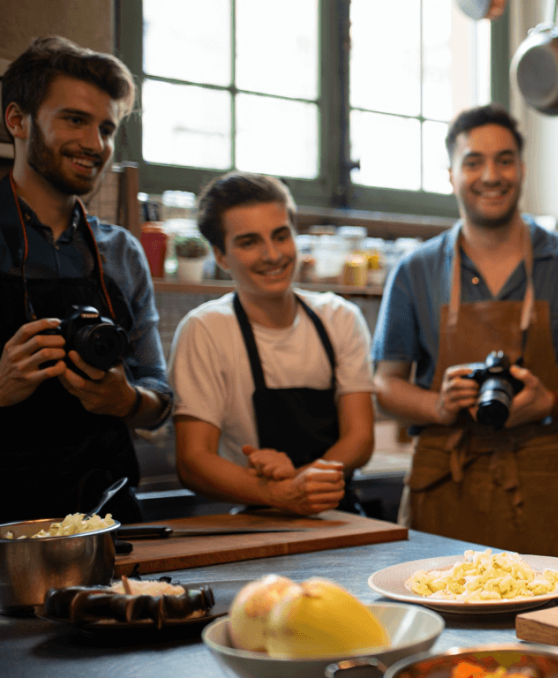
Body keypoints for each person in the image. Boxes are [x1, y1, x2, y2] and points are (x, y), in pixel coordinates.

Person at [373, 105, 558, 561]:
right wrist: (436, 405)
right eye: (473, 162)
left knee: (549, 622)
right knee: (441, 609)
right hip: (444, 477)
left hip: (543, 477)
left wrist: (551, 402)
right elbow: (384, 383)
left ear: (522, 169)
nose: (491, 175)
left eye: (504, 160)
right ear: (451, 174)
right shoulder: (415, 271)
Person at [0, 36, 172, 524]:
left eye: (106, 128)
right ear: (17, 120)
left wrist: (126, 399)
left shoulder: (121, 252)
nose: (96, 145)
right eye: (75, 120)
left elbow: (159, 396)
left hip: (107, 521)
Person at [169, 172, 375, 515]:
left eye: (281, 236)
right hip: (257, 518)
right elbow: (193, 462)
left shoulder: (340, 317)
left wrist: (298, 483)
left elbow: (360, 439)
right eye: (249, 242)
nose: (272, 255)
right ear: (220, 256)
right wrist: (281, 494)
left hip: (341, 517)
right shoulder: (205, 329)